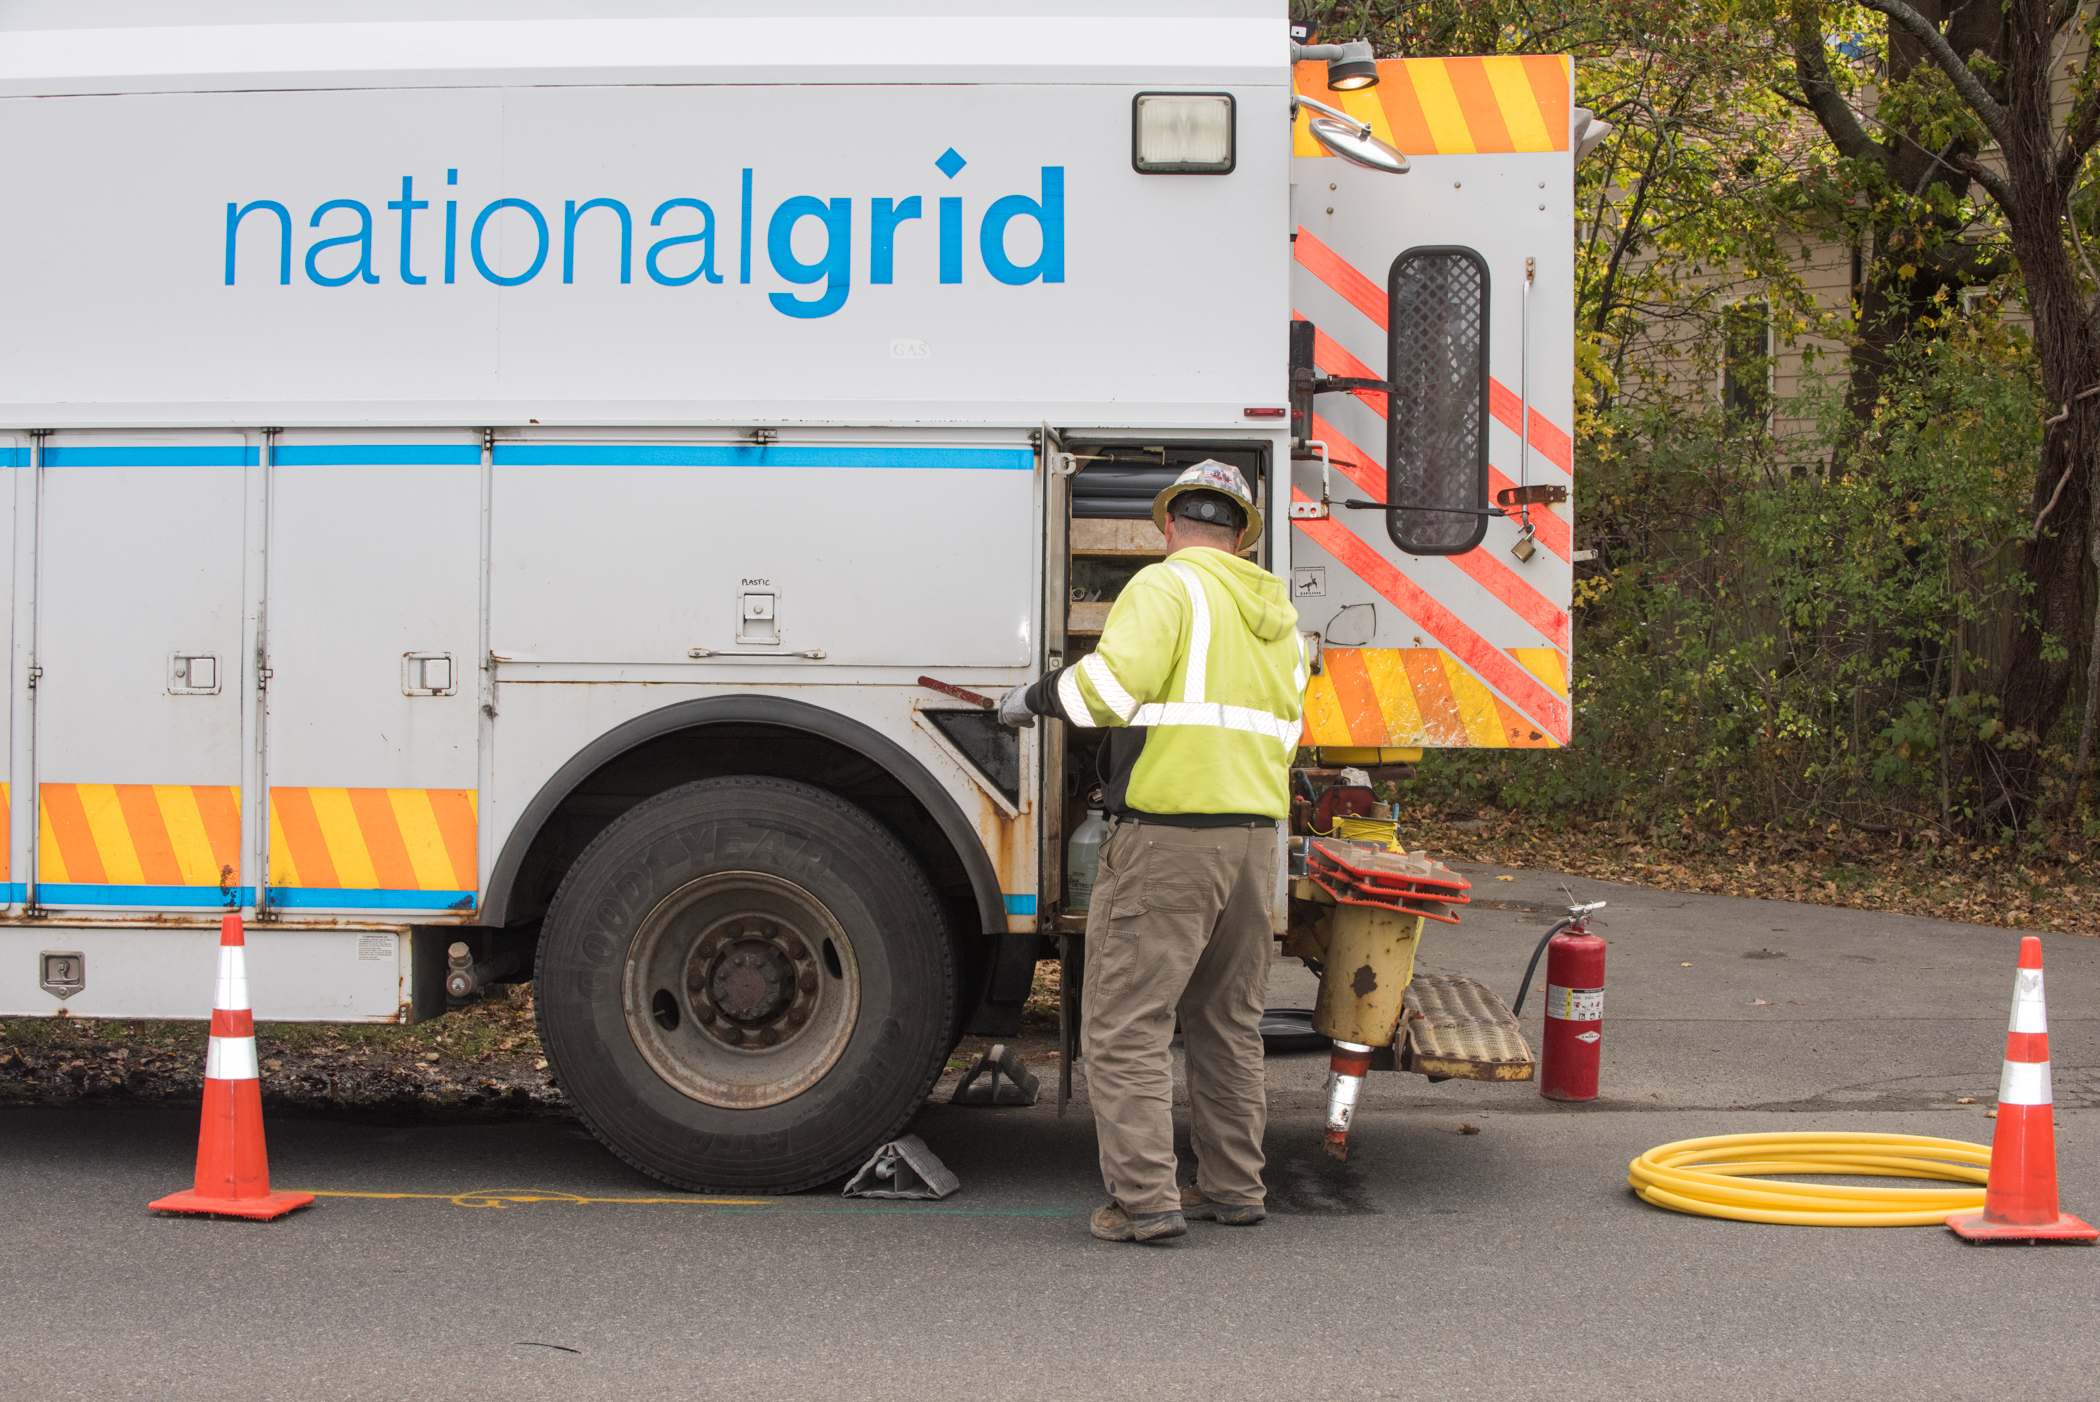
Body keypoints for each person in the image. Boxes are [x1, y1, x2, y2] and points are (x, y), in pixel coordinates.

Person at [999, 460, 1305, 1243]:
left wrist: (1032, 699)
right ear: (1241, 534)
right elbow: (1289, 731)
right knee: (1227, 1022)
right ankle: (1234, 1187)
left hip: (1171, 837)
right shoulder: (1276, 615)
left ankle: (1144, 1203)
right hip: (1252, 844)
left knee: (1125, 1024)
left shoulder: (1167, 586)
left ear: (1169, 526)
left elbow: (1107, 690)